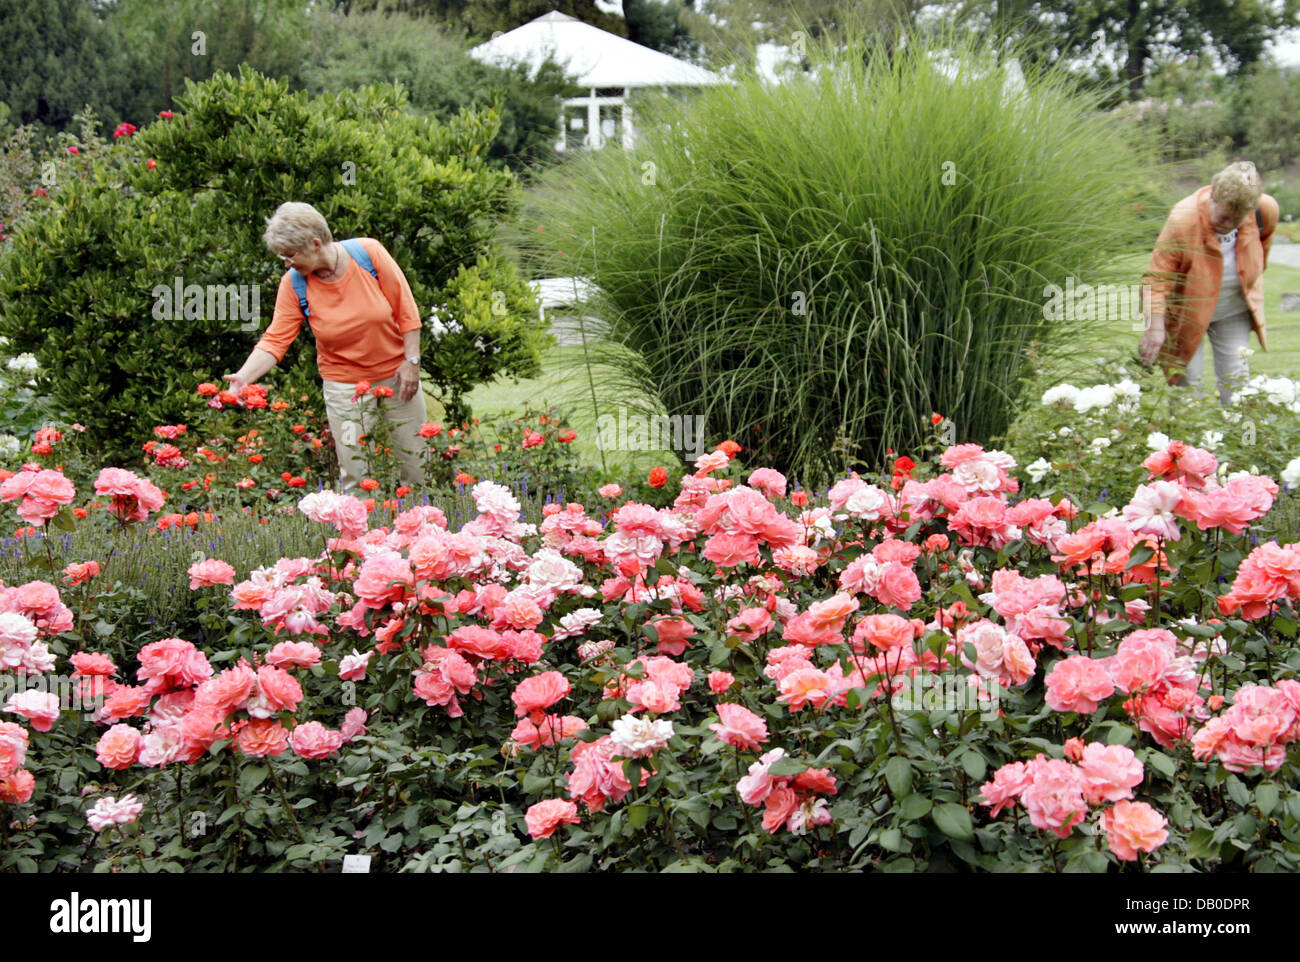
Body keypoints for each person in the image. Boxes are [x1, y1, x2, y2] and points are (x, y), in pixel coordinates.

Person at [224, 202, 426, 493]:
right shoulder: (294, 284)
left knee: (416, 466)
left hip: (398, 375)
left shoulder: (368, 253)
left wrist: (412, 362)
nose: (286, 263)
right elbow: (275, 339)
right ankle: (360, 537)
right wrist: (244, 377)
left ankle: (422, 534)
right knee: (356, 476)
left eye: (290, 254)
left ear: (315, 244)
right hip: (344, 386)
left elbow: (405, 310)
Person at [1137, 161, 1278, 405]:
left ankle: (1238, 439)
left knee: (1237, 381)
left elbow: (1262, 247)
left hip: (1232, 310)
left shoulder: (1264, 210)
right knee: (1187, 385)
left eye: (1236, 219)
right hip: (1185, 313)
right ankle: (1186, 442)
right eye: (1223, 216)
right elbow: (1157, 279)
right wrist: (1155, 328)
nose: (1228, 224)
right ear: (1212, 196)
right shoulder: (1184, 219)